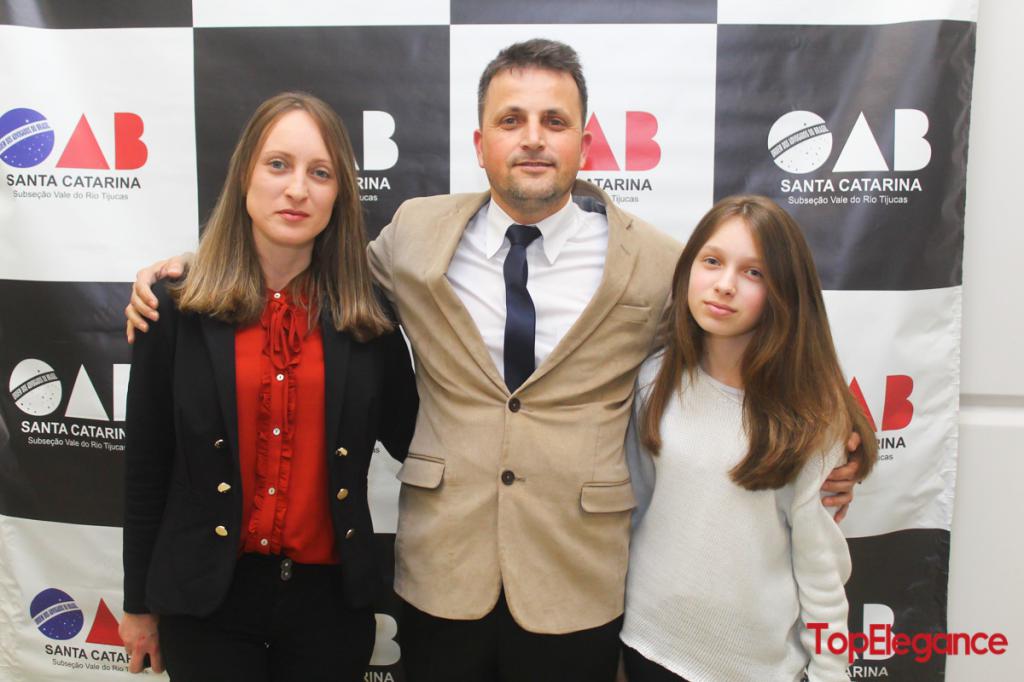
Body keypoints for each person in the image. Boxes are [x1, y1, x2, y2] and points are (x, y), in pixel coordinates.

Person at [124, 41, 863, 682]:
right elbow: (307, 269)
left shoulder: (658, 264)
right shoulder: (414, 235)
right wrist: (184, 270)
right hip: (442, 574)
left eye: (554, 122)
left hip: (577, 579)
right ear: (480, 143)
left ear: (586, 142)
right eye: (511, 120)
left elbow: (764, 336)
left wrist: (846, 430)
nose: (532, 139)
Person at [118, 92, 418, 681]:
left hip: (330, 606)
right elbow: (146, 465)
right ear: (244, 177)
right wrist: (137, 603)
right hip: (205, 603)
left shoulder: (368, 318)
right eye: (278, 164)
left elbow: (416, 440)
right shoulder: (173, 307)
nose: (297, 189)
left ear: (340, 194)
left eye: (321, 173)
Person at [620, 195, 877, 682]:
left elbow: (821, 575)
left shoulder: (810, 421)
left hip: (753, 666)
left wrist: (830, 671)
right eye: (712, 261)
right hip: (645, 643)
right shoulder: (653, 380)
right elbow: (635, 511)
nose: (725, 285)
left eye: (753, 272)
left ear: (786, 291)